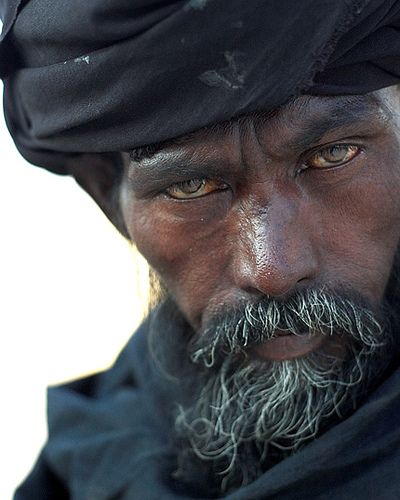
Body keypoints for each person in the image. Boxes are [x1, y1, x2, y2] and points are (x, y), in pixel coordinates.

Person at [2, 0, 400, 498]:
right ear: (106, 195)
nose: (273, 268)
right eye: (190, 187)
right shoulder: (83, 471)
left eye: (332, 155)